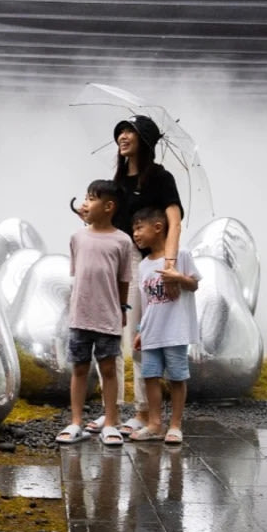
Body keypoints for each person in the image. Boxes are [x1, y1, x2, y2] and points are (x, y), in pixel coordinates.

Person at [83, 114, 185, 438]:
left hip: (143, 264)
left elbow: (174, 221)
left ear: (145, 140)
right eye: (121, 131)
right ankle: (110, 411)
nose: (123, 136)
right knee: (107, 334)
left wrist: (168, 263)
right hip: (112, 261)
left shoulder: (160, 178)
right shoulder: (117, 180)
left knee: (142, 338)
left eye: (130, 131)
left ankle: (142, 411)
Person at [57, 180, 133, 446]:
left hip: (108, 315)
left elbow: (123, 280)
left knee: (108, 368)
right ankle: (76, 421)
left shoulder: (122, 241)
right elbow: (77, 275)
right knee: (79, 368)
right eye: (86, 197)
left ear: (109, 206)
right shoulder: (77, 237)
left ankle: (111, 421)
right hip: (80, 315)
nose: (85, 203)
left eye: (92, 198)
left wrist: (123, 308)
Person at [127, 207, 201, 444]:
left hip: (175, 331)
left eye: (139, 228)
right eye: (133, 230)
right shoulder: (144, 264)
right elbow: (148, 302)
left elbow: (194, 285)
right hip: (152, 331)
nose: (135, 234)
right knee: (150, 376)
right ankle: (155, 423)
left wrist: (178, 278)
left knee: (177, 378)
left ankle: (176, 425)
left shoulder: (182, 254)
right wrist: (140, 330)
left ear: (158, 227)